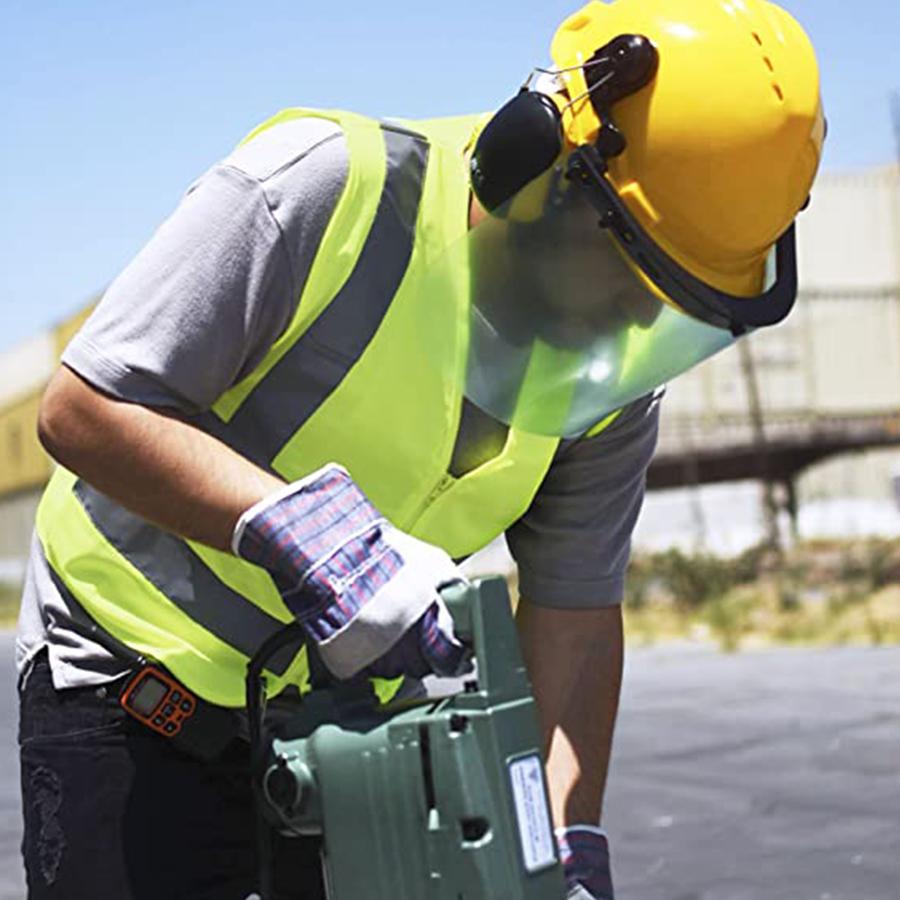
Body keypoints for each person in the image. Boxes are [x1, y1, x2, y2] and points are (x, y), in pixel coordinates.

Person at [16, 1, 823, 898]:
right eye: (626, 269)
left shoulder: (610, 379)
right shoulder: (325, 189)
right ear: (537, 160)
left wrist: (565, 845)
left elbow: (576, 612)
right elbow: (86, 405)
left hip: (352, 739)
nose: (635, 321)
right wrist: (301, 533)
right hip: (132, 694)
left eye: (668, 303)